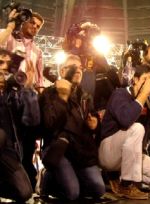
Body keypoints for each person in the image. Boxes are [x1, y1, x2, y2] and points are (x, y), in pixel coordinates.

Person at [98, 64, 150, 200]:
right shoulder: (120, 93)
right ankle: (126, 185)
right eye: (145, 79)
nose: (149, 84)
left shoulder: (149, 103)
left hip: (131, 156)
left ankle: (122, 179)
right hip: (108, 152)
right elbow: (126, 120)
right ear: (135, 80)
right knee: (137, 128)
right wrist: (144, 93)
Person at [38, 54, 105, 201]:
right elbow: (49, 125)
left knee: (98, 189)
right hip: (58, 150)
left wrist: (94, 125)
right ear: (62, 72)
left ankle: (65, 176)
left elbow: (94, 124)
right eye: (73, 67)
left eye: (80, 67)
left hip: (80, 151)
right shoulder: (49, 94)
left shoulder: (85, 96)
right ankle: (49, 177)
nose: (78, 70)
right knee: (72, 194)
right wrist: (62, 98)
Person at [0, 9, 44, 189]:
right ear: (24, 21)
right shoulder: (8, 38)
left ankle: (23, 178)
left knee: (26, 142)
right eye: (32, 22)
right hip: (6, 94)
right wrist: (11, 25)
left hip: (26, 98)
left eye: (38, 26)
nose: (34, 27)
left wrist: (38, 99)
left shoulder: (37, 51)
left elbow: (40, 80)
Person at [0, 48, 39, 202]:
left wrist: (28, 87)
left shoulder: (14, 92)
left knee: (24, 192)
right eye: (0, 62)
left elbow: (32, 120)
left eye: (7, 64)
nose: (3, 67)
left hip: (9, 151)